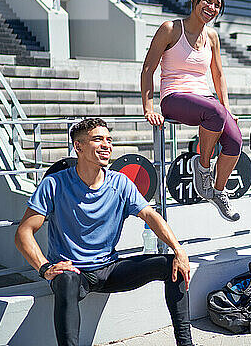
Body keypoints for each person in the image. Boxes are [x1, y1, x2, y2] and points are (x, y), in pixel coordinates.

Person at [14, 118, 193, 346]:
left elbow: (150, 215)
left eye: (109, 140)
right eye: (98, 139)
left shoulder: (121, 182)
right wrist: (45, 267)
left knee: (173, 266)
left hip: (110, 268)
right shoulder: (54, 184)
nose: (106, 145)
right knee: (66, 280)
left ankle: (185, 344)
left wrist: (178, 250)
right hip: (73, 273)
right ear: (78, 147)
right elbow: (24, 232)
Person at [141, 0, 242, 222]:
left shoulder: (213, 37)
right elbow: (148, 69)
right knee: (214, 112)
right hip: (174, 96)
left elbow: (218, 75)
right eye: (207, 0)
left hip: (205, 99)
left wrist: (227, 108)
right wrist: (149, 107)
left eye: (217, 4)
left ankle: (217, 191)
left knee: (235, 141)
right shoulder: (171, 29)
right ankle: (203, 167)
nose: (211, 7)